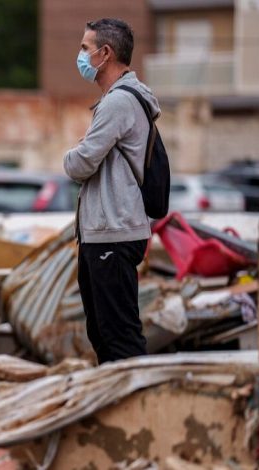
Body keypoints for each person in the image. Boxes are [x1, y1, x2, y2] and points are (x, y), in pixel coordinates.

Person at [63, 18, 161, 364]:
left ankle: (138, 408)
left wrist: (71, 153)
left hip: (113, 234)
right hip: (103, 233)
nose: (80, 55)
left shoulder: (119, 102)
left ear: (106, 54)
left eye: (85, 48)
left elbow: (80, 163)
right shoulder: (115, 101)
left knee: (119, 336)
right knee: (103, 334)